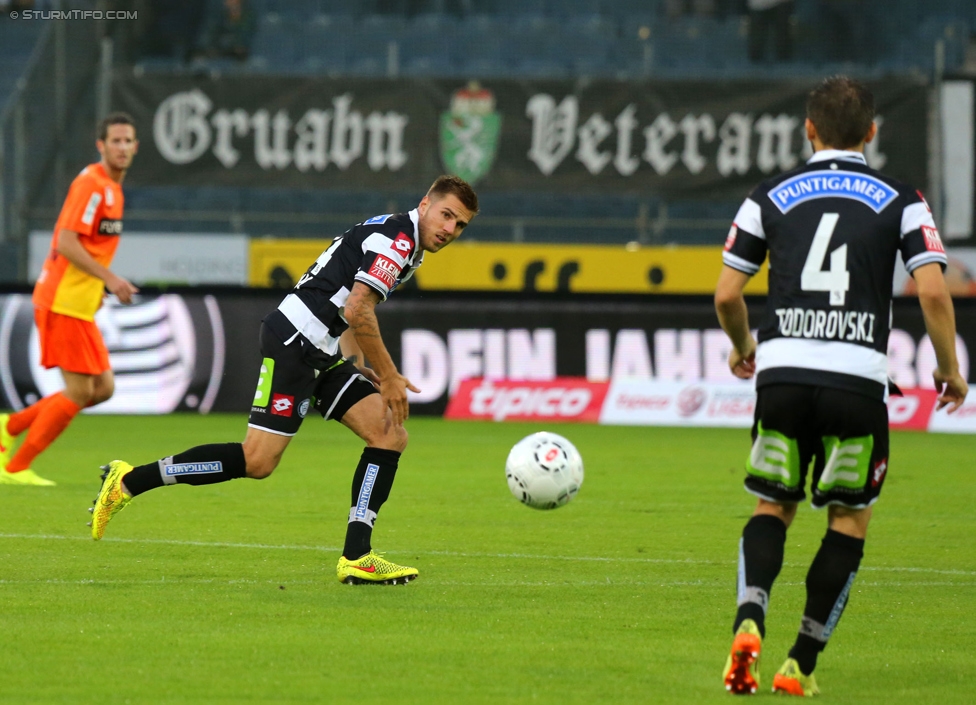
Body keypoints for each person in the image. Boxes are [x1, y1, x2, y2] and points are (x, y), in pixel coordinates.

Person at [90, 175, 479, 586]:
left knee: (389, 434)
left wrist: (352, 360)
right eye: (446, 215)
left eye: (460, 225)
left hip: (320, 349)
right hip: (295, 341)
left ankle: (357, 556)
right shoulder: (398, 240)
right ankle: (129, 481)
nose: (449, 229)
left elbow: (345, 299)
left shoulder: (402, 238)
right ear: (425, 205)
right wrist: (388, 376)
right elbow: (358, 309)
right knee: (257, 461)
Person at [715, 76, 968, 696]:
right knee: (848, 520)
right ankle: (799, 663)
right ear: (872, 133)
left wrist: (745, 349)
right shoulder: (901, 197)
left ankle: (750, 617)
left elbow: (726, 294)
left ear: (809, 129)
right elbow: (933, 289)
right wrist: (948, 367)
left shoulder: (769, 194)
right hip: (857, 381)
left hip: (783, 375)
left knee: (773, 506)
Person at [0, 113, 140, 486]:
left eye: (128, 141)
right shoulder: (92, 185)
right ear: (101, 145)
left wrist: (97, 290)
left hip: (79, 303)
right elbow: (65, 241)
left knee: (102, 389)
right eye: (116, 141)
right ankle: (13, 468)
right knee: (80, 391)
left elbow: (92, 247)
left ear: (136, 146)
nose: (123, 147)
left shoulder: (114, 189)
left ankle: (9, 426)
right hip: (61, 300)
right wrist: (109, 279)